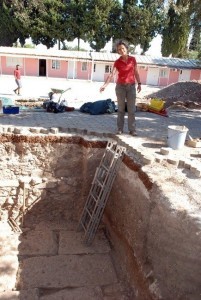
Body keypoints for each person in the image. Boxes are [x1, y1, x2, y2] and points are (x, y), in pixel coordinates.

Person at [100, 40, 141, 136]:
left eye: (123, 48)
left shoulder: (133, 60)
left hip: (131, 87)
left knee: (131, 110)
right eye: (119, 49)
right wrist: (105, 85)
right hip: (120, 88)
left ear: (126, 49)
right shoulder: (117, 62)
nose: (121, 50)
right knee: (121, 109)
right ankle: (120, 129)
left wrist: (139, 83)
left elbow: (136, 72)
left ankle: (132, 129)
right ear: (118, 51)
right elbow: (112, 74)